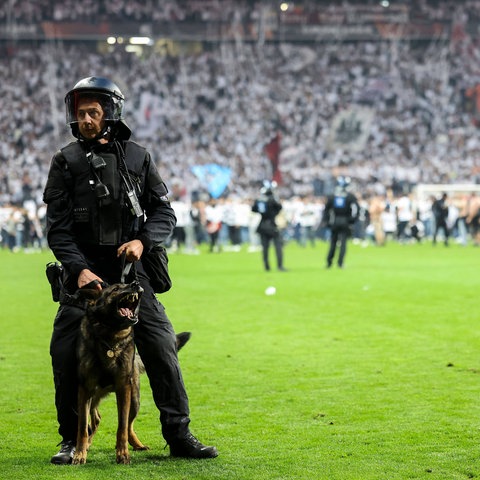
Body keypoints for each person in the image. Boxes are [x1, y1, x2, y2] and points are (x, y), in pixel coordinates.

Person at [43, 77, 218, 464]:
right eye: (80, 112)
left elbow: (163, 212)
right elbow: (57, 227)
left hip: (131, 275)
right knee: (65, 352)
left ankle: (179, 435)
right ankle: (72, 439)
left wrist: (143, 242)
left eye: (93, 112)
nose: (86, 119)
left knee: (161, 347)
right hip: (84, 278)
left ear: (111, 112)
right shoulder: (65, 161)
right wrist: (78, 269)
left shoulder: (138, 157)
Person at [323, 176, 359, 268]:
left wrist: (326, 221)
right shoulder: (350, 197)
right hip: (345, 221)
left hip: (334, 221)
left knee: (333, 242)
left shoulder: (332, 196)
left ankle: (329, 262)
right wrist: (352, 220)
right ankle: (340, 263)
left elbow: (326, 210)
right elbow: (356, 209)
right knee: (343, 243)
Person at [251, 180, 286, 271]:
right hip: (272, 225)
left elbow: (254, 209)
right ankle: (280, 266)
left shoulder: (259, 200)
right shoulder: (272, 200)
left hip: (262, 225)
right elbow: (279, 208)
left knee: (265, 248)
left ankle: (267, 266)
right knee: (278, 246)